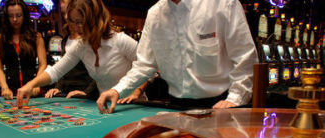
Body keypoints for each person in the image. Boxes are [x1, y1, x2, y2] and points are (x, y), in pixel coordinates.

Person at [97, 0, 259, 113]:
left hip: (220, 104)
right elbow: (144, 65)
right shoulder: (154, 14)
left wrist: (236, 98)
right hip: (175, 106)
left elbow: (245, 57)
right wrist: (117, 90)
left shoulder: (224, 4)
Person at [17, 0, 140, 109]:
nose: (75, 28)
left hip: (132, 104)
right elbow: (56, 71)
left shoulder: (121, 41)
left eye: (80, 22)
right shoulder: (81, 46)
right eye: (73, 22)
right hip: (106, 105)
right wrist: (30, 85)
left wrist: (137, 92)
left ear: (94, 20)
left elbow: (147, 67)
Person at [45, 0, 98, 100]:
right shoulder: (65, 38)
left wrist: (86, 93)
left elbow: (100, 72)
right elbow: (62, 68)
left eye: (68, 13)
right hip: (67, 93)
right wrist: (57, 88)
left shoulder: (92, 37)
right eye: (64, 13)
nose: (66, 17)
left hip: (88, 94)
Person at [0, 0, 47, 102]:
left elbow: (43, 64)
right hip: (10, 93)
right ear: (6, 17)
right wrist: (4, 87)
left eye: (18, 15)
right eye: (11, 16)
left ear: (25, 16)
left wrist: (36, 84)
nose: (15, 19)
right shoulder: (2, 38)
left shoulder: (36, 37)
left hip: (33, 91)